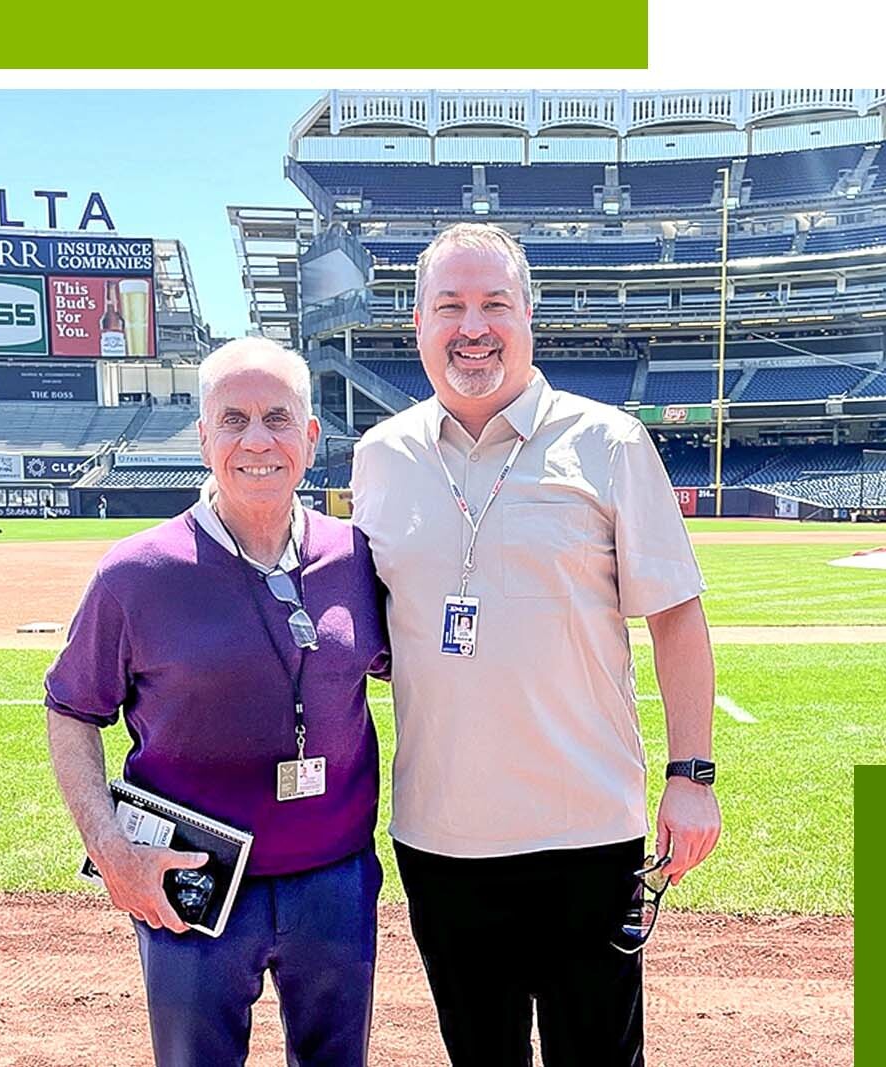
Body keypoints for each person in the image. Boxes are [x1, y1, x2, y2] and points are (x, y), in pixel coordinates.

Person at [351, 223, 721, 1067]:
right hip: (442, 836)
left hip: (585, 833)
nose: (472, 327)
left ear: (529, 316)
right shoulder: (380, 457)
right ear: (418, 322)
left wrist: (691, 775)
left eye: (494, 304)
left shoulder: (609, 442)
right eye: (450, 306)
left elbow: (676, 616)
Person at [45, 337, 389, 1067]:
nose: (257, 439)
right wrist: (110, 848)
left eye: (277, 417)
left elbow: (428, 676)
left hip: (336, 879)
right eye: (233, 419)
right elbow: (72, 708)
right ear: (203, 436)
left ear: (311, 435)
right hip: (191, 884)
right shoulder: (135, 573)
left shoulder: (358, 557)